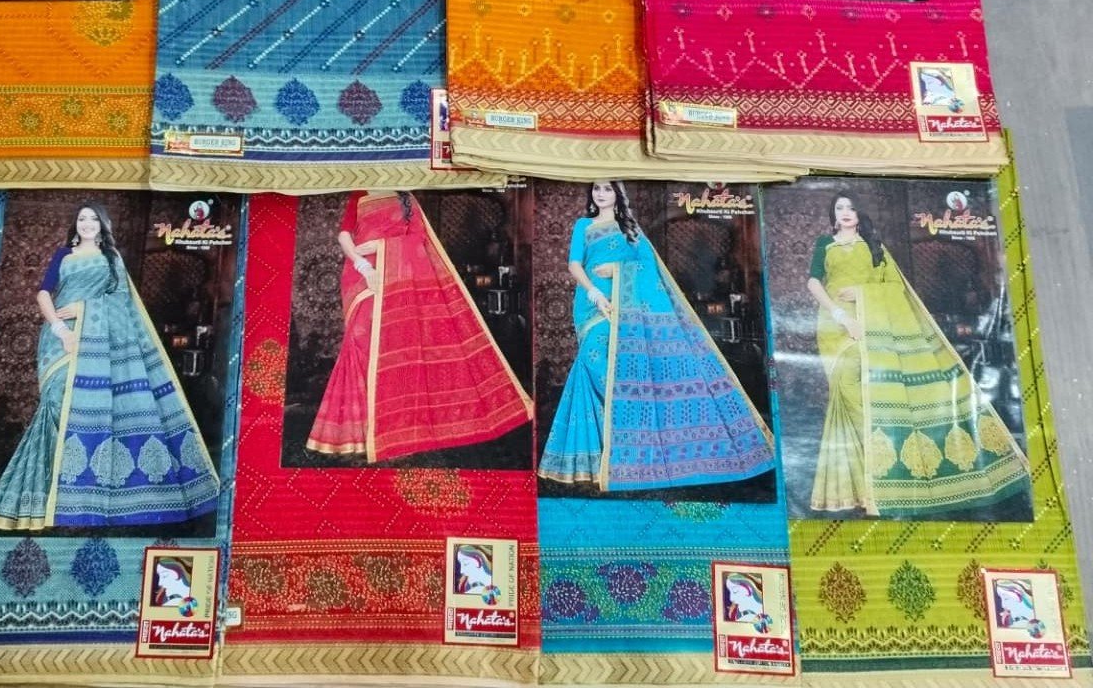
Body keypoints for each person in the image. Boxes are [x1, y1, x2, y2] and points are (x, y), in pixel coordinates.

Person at [0, 205, 220, 529]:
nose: (87, 223)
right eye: (82, 218)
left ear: (103, 224)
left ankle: (73, 494)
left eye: (94, 218)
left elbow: (122, 303)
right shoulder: (63, 255)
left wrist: (85, 308)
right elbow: (43, 293)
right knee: (55, 401)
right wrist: (60, 330)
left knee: (84, 408)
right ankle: (46, 490)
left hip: (96, 338)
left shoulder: (112, 258)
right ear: (75, 224)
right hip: (58, 338)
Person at [539, 181, 775, 491]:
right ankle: (608, 446)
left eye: (608, 189)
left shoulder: (630, 228)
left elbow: (647, 266)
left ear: (618, 195)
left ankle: (624, 446)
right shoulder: (583, 225)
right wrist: (594, 292)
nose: (601, 194)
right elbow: (574, 265)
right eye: (596, 189)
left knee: (623, 368)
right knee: (593, 362)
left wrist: (617, 268)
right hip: (591, 302)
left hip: (627, 304)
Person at [805, 192, 1030, 516]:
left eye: (851, 207)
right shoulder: (825, 244)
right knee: (846, 388)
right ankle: (875, 476)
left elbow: (895, 289)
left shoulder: (874, 246)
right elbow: (813, 282)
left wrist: (863, 294)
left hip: (874, 322)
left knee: (875, 394)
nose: (845, 212)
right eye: (839, 207)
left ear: (860, 212)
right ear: (833, 214)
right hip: (833, 325)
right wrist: (841, 316)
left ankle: (878, 482)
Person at [306, 191, 533, 462]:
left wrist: (380, 246)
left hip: (397, 277)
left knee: (394, 349)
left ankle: (389, 428)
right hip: (361, 275)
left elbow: (417, 240)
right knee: (360, 343)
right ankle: (355, 431)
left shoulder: (406, 197)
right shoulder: (360, 193)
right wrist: (363, 264)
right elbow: (345, 235)